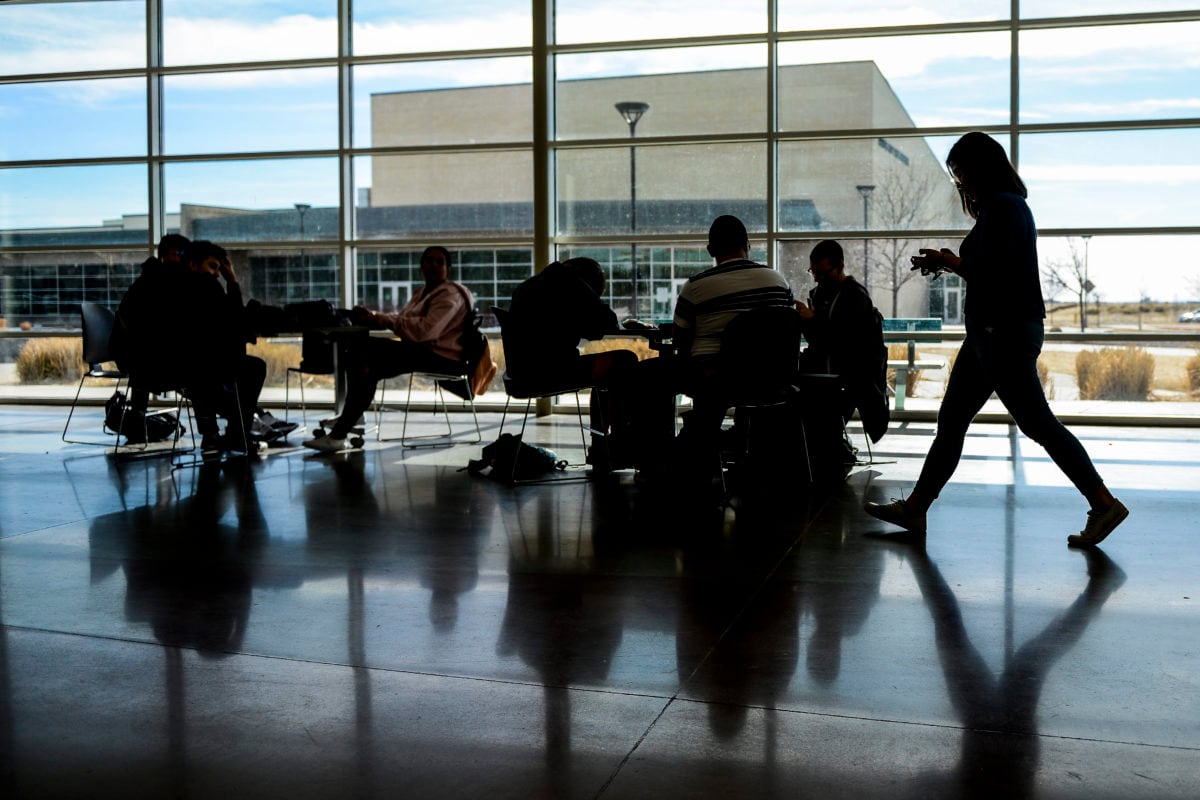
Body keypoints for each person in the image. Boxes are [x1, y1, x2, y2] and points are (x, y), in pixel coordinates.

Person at [864, 131, 1128, 547]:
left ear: (980, 169)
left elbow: (995, 273)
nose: (960, 183)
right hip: (993, 332)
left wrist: (951, 261)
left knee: (1036, 422)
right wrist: (949, 263)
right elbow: (992, 268)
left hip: (1000, 332)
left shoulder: (1005, 208)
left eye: (962, 173)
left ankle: (1104, 502)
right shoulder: (1004, 209)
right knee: (952, 422)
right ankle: (915, 509)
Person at [304, 245, 474, 452]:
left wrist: (379, 319)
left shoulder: (449, 295)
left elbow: (423, 332)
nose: (434, 265)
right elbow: (405, 320)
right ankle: (349, 421)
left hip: (443, 359)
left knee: (362, 355)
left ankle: (344, 428)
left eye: (440, 261)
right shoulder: (424, 292)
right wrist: (374, 317)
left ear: (448, 267)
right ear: (421, 266)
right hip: (423, 353)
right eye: (429, 260)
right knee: (362, 360)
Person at [669, 214, 796, 473]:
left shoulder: (696, 287)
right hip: (773, 378)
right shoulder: (778, 281)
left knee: (656, 376)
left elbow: (680, 339)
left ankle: (666, 461)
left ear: (710, 250)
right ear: (748, 245)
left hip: (716, 378)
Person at [503, 257, 638, 466]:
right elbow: (603, 324)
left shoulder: (532, 284)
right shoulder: (570, 283)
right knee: (624, 359)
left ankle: (603, 447)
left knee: (607, 371)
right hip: (548, 372)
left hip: (521, 374)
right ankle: (616, 444)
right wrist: (590, 297)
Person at [177, 240, 267, 452]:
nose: (217, 273)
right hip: (202, 365)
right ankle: (238, 434)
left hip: (183, 363)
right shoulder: (205, 285)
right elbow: (235, 318)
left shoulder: (176, 287)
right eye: (213, 266)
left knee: (221, 372)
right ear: (193, 265)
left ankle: (212, 433)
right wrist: (232, 280)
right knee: (254, 368)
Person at [796, 239, 889, 444]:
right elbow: (821, 340)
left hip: (853, 373)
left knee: (815, 405)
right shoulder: (820, 293)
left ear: (840, 266)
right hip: (833, 370)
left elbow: (847, 342)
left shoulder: (855, 296)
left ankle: (824, 446)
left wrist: (812, 320)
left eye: (823, 273)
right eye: (814, 272)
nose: (818, 279)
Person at [111, 233, 191, 412]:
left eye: (184, 254)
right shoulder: (159, 283)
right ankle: (236, 421)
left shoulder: (151, 279)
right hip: (145, 359)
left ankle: (137, 418)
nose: (181, 259)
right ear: (163, 256)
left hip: (138, 355)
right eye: (177, 253)